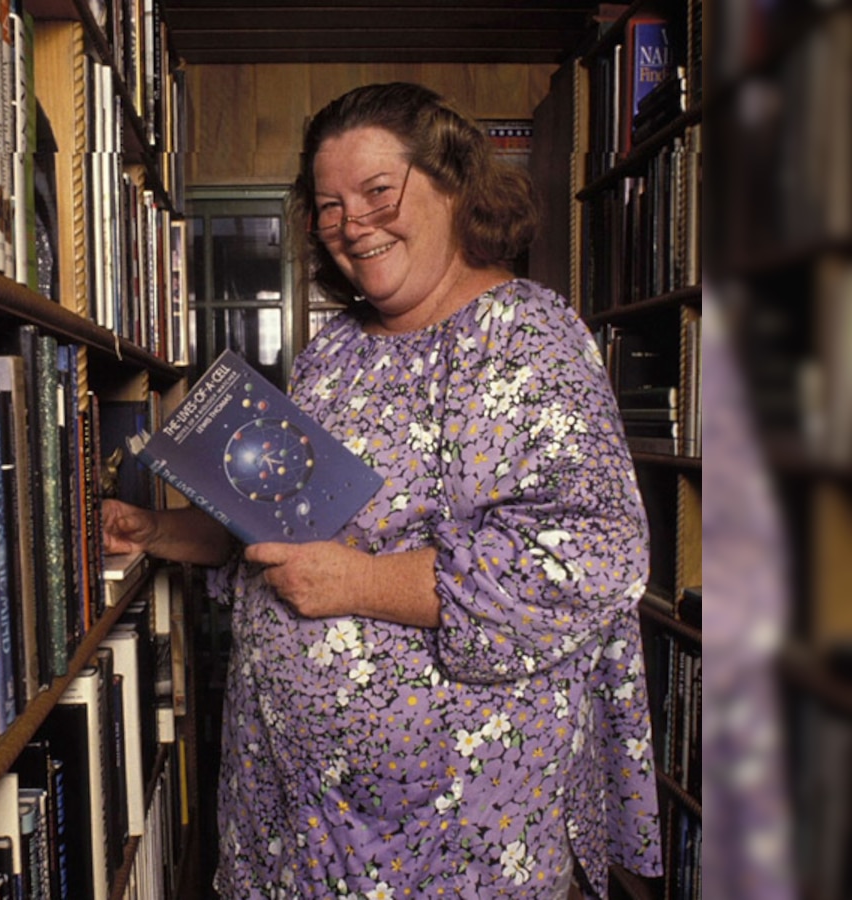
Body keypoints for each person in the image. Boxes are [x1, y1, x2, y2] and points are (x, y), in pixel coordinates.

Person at [103, 82, 662, 899]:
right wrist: (154, 530)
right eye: (328, 206)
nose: (351, 223)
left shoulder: (531, 336)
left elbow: (592, 556)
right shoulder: (335, 351)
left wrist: (361, 582)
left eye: (376, 191)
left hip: (449, 837)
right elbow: (284, 528)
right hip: (290, 813)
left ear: (455, 186)